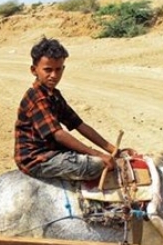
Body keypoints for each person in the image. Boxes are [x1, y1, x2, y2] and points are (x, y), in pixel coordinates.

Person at [15, 37, 133, 181]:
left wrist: (114, 150)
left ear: (63, 68)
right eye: (48, 70)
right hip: (36, 159)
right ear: (34, 70)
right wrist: (96, 154)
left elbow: (79, 124)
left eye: (58, 70)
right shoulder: (37, 98)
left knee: (100, 159)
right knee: (96, 165)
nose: (54, 75)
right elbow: (58, 134)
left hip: (52, 152)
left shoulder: (54, 95)